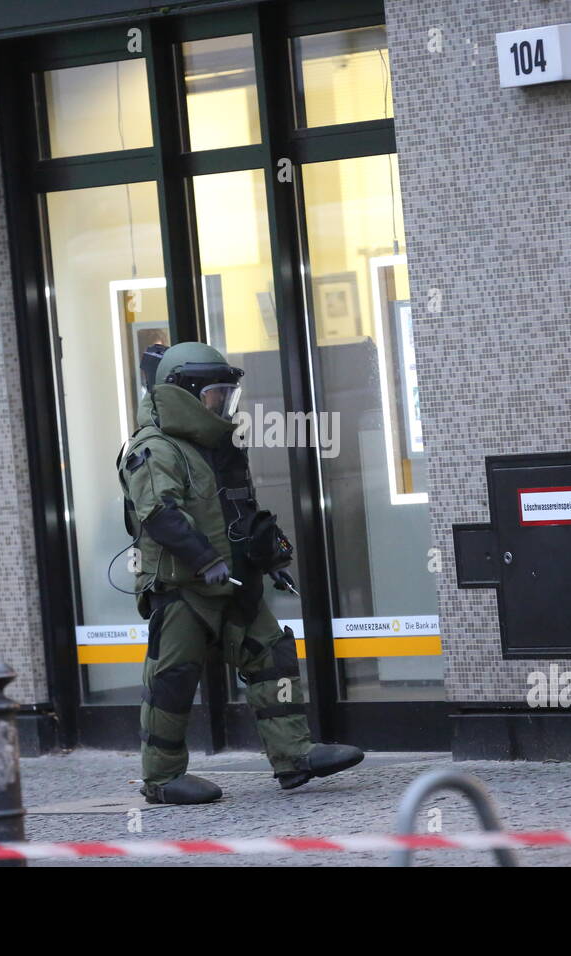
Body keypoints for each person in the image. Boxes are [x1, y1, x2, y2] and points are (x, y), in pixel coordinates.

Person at [117, 341, 364, 804]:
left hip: (233, 581)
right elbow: (159, 514)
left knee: (271, 658)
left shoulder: (221, 447)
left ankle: (294, 756)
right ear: (183, 393)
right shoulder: (154, 449)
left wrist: (270, 562)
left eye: (226, 396)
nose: (222, 405)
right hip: (184, 588)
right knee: (172, 679)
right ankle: (162, 779)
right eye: (213, 395)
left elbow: (240, 512)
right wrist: (204, 561)